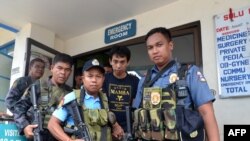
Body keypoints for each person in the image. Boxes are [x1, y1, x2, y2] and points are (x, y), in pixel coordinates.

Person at [132, 27, 220, 141]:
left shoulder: (189, 72)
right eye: (150, 48)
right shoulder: (143, 80)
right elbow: (138, 114)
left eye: (159, 45)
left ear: (170, 45)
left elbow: (206, 112)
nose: (154, 51)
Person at [48, 58, 124, 141]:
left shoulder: (104, 99)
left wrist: (116, 126)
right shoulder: (71, 97)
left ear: (103, 79)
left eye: (98, 76)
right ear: (83, 78)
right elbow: (52, 124)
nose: (94, 80)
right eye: (90, 76)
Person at [13, 53, 73, 141]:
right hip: (38, 135)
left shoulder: (71, 93)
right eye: (59, 68)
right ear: (52, 68)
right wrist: (25, 126)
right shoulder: (38, 86)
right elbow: (19, 107)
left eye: (67, 69)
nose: (63, 72)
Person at [102, 45, 139, 140]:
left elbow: (135, 105)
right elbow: (103, 104)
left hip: (129, 130)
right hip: (108, 128)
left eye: (122, 62)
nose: (118, 65)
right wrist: (115, 126)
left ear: (128, 62)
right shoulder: (104, 79)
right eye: (115, 61)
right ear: (110, 61)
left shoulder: (135, 81)